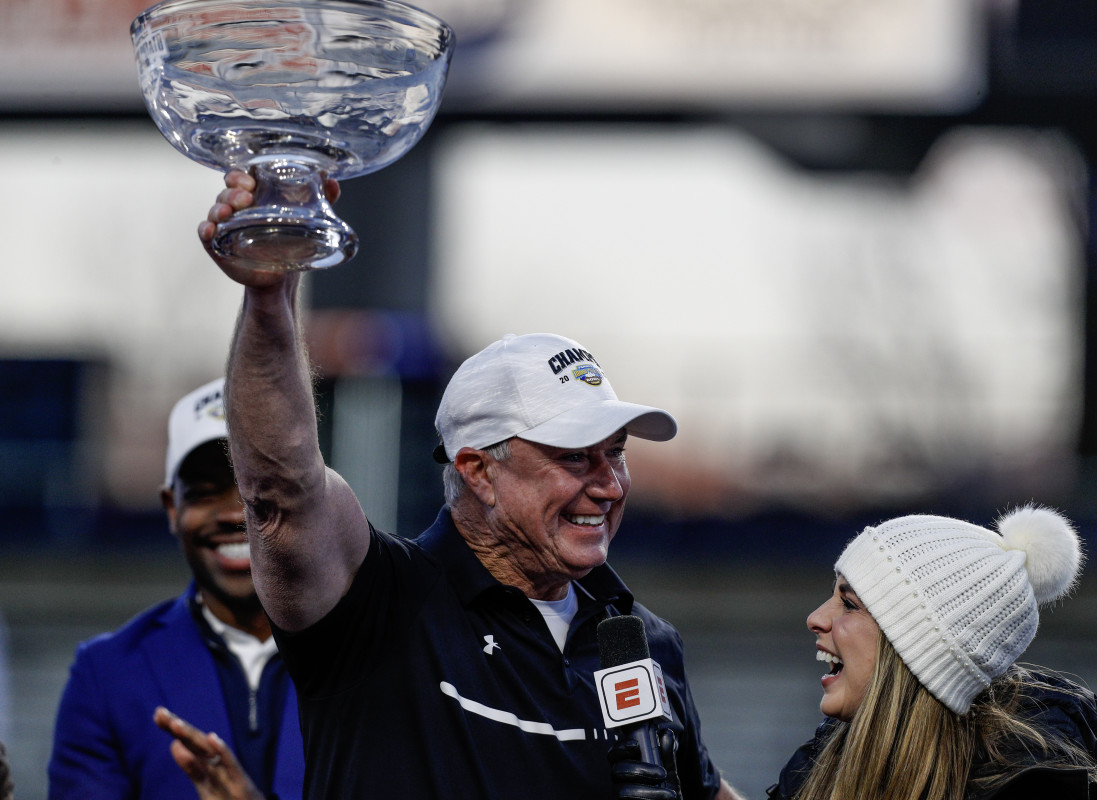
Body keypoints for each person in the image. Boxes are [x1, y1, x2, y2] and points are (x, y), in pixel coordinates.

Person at [195, 171, 745, 799]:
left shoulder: (640, 642)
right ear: (478, 471)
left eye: (615, 453)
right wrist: (271, 298)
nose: (610, 486)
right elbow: (281, 490)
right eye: (574, 457)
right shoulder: (378, 601)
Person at [768, 505, 1097, 800]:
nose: (815, 618)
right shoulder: (815, 770)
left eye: (850, 604)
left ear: (918, 652)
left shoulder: (1030, 785)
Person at [47, 378, 304, 800]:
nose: (234, 513)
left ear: (308, 499)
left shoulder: (377, 661)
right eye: (205, 492)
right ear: (172, 508)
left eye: (258, 487)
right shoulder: (108, 675)